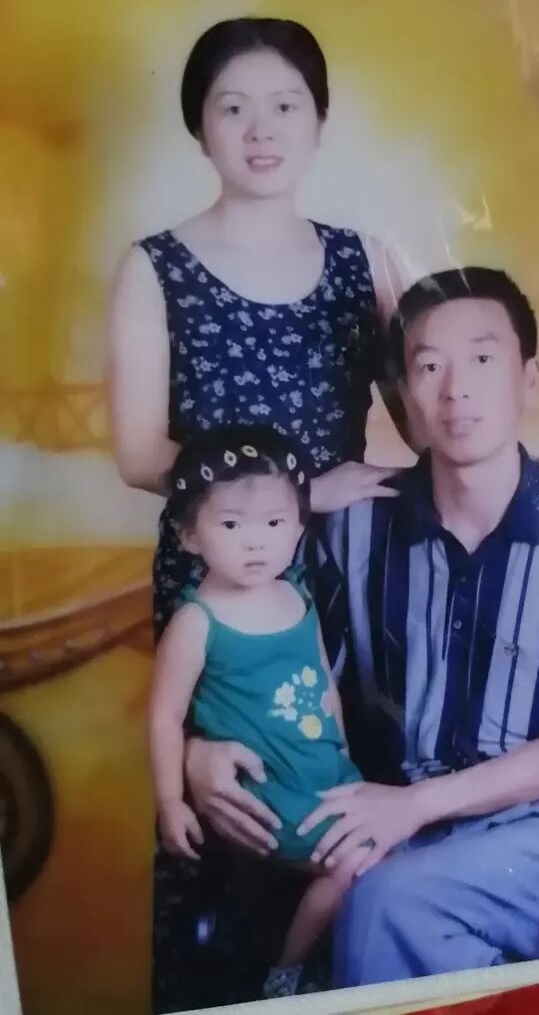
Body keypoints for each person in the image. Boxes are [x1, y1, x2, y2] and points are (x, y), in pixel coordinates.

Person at [106, 18, 539, 1008]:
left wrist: (532, 466)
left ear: (319, 120)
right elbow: (139, 451)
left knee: (352, 813)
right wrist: (292, 492)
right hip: (224, 580)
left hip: (353, 573)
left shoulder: (360, 260)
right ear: (198, 127)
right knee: (229, 816)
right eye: (232, 107)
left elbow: (443, 406)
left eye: (285, 104)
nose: (261, 128)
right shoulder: (153, 266)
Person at [289, 267, 539, 985]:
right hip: (395, 822)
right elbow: (292, 681)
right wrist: (206, 754)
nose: (455, 389)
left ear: (528, 379)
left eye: (482, 359)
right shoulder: (354, 530)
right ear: (404, 391)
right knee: (345, 900)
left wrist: (418, 805)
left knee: (383, 907)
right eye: (429, 366)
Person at [148, 426, 373, 1000]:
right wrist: (171, 801)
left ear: (299, 527)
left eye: (274, 523)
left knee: (377, 843)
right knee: (358, 859)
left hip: (322, 772)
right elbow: (165, 717)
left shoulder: (295, 594)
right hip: (268, 795)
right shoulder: (197, 622)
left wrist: (344, 755)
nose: (255, 543)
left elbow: (324, 682)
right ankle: (286, 974)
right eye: (231, 525)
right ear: (189, 534)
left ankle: (325, 970)